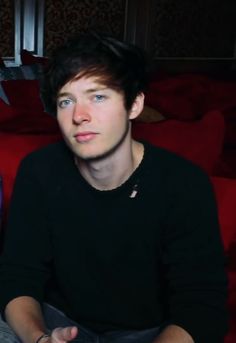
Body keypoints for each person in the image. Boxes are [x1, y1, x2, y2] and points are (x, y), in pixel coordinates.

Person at [0, 32, 228, 343]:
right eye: (66, 101)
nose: (79, 116)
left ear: (134, 105)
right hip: (56, 322)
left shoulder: (183, 184)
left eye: (98, 96)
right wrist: (39, 339)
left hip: (149, 333)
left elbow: (202, 309)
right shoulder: (39, 171)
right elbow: (18, 279)